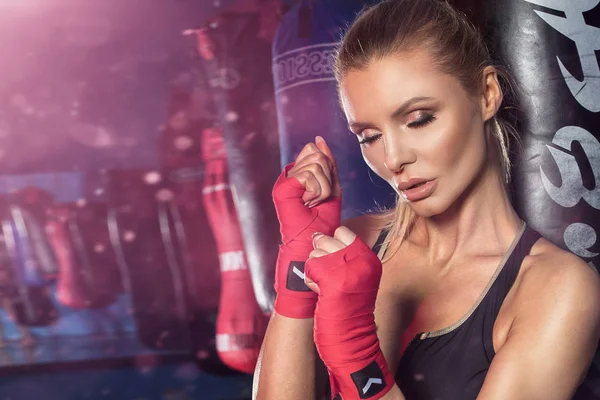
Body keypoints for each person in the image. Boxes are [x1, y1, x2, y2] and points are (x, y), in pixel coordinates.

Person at [253, 0, 600, 399]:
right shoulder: (352, 245)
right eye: (369, 136)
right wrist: (297, 263)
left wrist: (358, 360)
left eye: (419, 119)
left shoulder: (557, 289)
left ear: (486, 94)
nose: (394, 158)